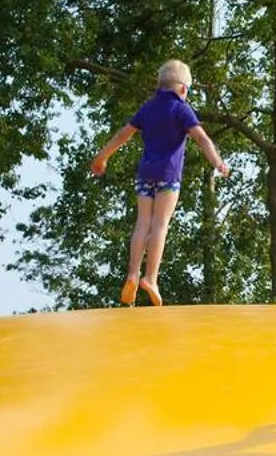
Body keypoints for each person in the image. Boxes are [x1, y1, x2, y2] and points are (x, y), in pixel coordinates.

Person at [89, 60, 230, 306]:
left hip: (145, 174)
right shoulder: (181, 109)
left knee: (142, 222)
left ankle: (132, 273)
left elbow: (124, 134)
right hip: (168, 176)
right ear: (184, 89)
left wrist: (102, 157)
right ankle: (150, 278)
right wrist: (218, 162)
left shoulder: (149, 107)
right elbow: (201, 137)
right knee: (160, 224)